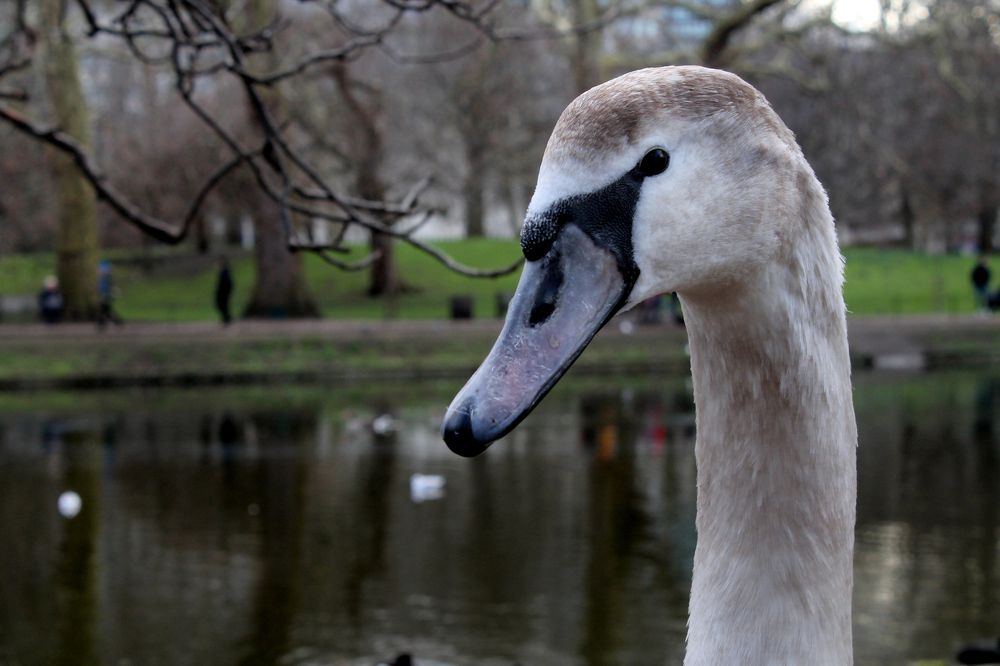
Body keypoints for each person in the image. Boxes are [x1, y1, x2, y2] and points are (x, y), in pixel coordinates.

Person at [97, 260, 123, 329]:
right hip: (104, 296)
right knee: (106, 311)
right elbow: (100, 288)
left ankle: (102, 324)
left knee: (103, 311)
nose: (100, 271)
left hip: (106, 297)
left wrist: (104, 295)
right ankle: (116, 322)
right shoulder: (102, 278)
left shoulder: (108, 278)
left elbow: (108, 288)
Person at [214, 256, 234, 325]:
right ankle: (226, 318)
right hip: (222, 292)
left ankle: (227, 318)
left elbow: (228, 283)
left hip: (224, 292)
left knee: (223, 305)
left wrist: (225, 291)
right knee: (222, 305)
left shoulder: (225, 272)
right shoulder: (223, 271)